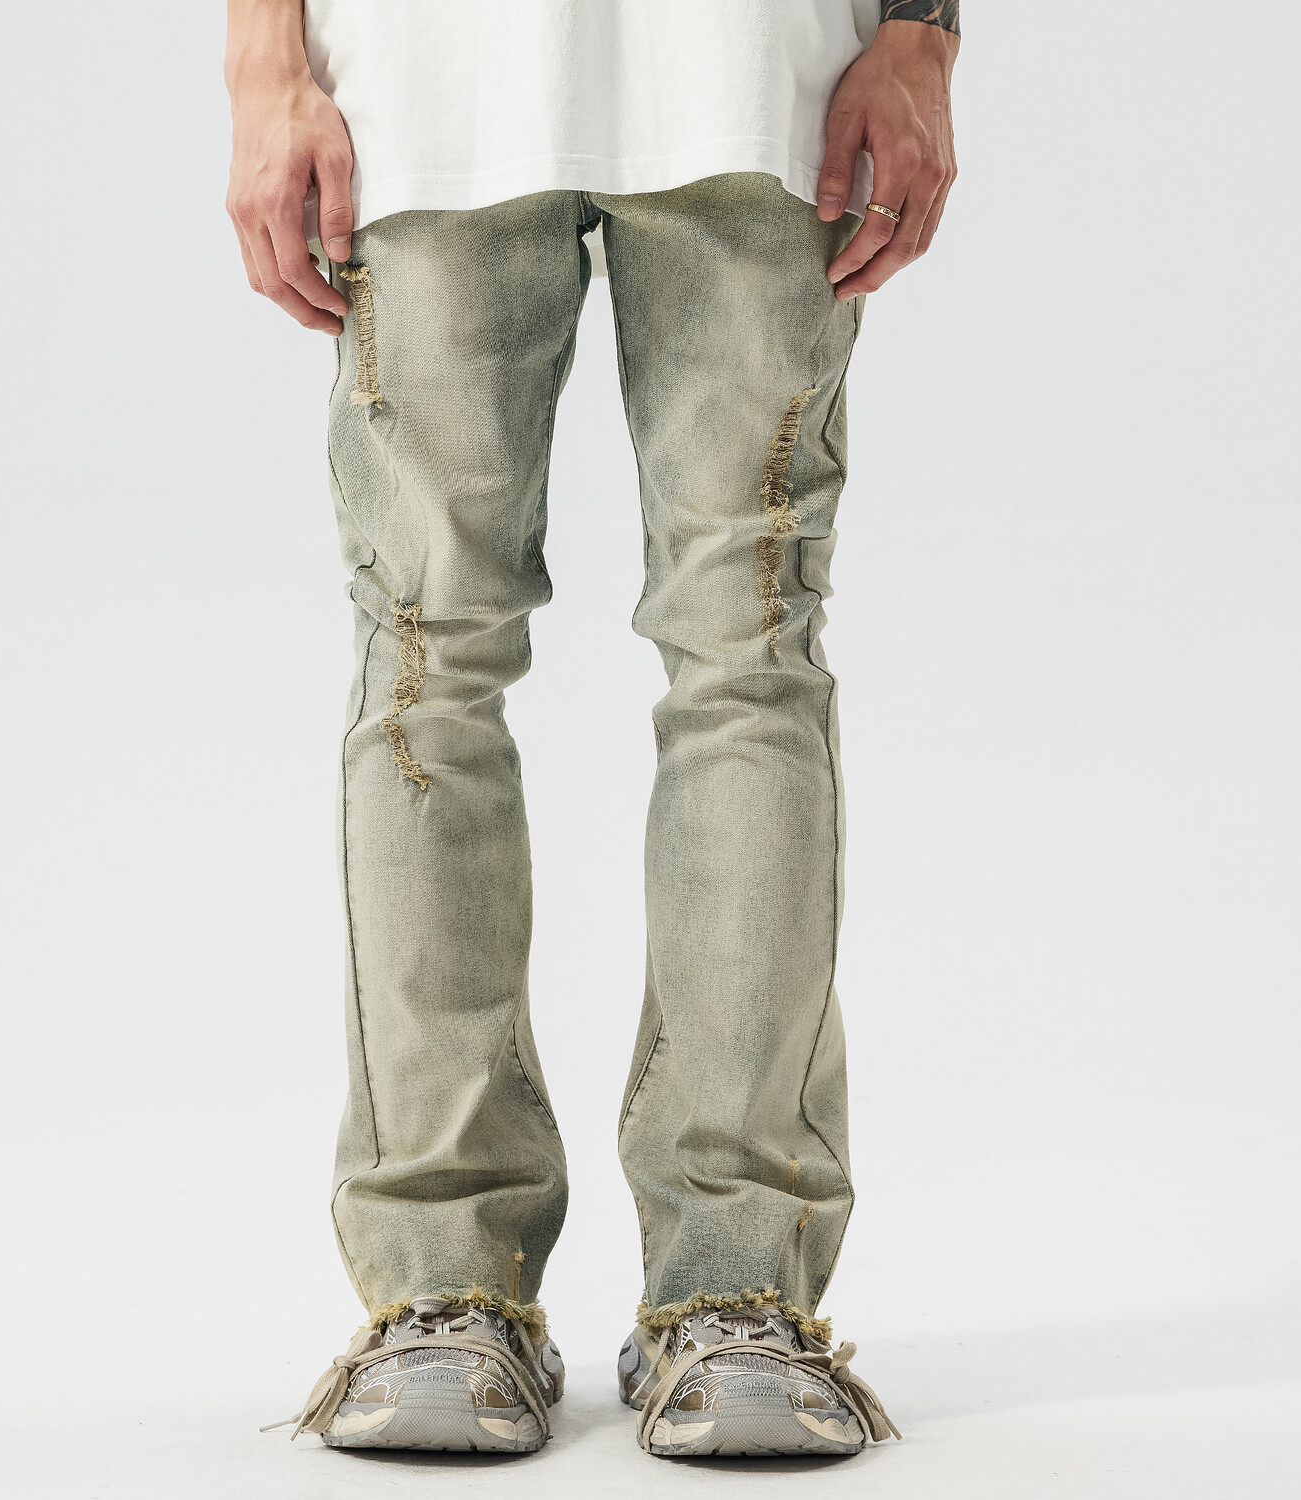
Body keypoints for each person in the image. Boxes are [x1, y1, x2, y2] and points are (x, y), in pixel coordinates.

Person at [228, 0, 959, 1461]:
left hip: (764, 75)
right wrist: (265, 62)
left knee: (746, 654)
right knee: (429, 658)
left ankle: (737, 1286)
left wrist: (920, 36)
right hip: (419, 77)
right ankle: (442, 1285)